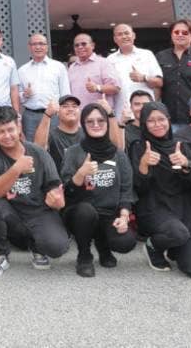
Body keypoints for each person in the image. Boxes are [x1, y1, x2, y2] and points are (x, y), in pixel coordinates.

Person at [0, 106, 69, 278]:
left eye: (10, 129)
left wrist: (57, 200)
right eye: (1, 131)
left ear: (18, 127)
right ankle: (0, 254)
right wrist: (16, 169)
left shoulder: (38, 153)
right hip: (10, 213)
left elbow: (54, 185)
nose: (7, 135)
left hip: (38, 211)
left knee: (57, 247)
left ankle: (37, 247)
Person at [129, 102, 191, 279]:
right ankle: (153, 246)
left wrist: (186, 165)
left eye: (161, 119)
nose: (157, 124)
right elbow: (138, 188)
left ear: (169, 120)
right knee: (177, 233)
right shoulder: (138, 147)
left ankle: (175, 247)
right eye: (151, 121)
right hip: (154, 207)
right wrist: (143, 165)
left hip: (182, 208)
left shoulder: (183, 147)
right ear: (144, 124)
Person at [61, 103, 137, 278]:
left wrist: (124, 217)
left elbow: (126, 190)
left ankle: (104, 246)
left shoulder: (118, 154)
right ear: (83, 124)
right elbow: (66, 192)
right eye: (90, 121)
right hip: (80, 212)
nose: (96, 125)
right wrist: (80, 174)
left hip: (108, 213)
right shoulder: (73, 152)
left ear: (107, 123)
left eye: (101, 120)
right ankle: (84, 254)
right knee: (86, 211)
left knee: (126, 243)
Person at [18, 33, 72, 141]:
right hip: (30, 116)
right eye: (34, 44)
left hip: (54, 116)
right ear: (29, 47)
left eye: (41, 44)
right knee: (32, 148)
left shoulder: (58, 67)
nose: (38, 47)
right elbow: (17, 95)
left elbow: (65, 94)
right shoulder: (22, 70)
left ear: (47, 47)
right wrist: (24, 94)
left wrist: (65, 114)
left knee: (55, 146)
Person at [107, 23, 163, 118]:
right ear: (115, 39)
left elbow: (159, 83)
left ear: (133, 35)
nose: (124, 36)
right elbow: (109, 87)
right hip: (122, 113)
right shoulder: (109, 60)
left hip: (146, 112)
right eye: (120, 34)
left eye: (127, 33)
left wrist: (144, 77)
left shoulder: (147, 55)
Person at [67, 32, 119, 111]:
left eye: (84, 44)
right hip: (78, 116)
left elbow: (115, 88)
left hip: (99, 115)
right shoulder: (72, 68)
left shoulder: (103, 63)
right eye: (76, 45)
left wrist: (97, 88)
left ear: (92, 45)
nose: (80, 47)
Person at [32, 95, 77, 170]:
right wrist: (47, 115)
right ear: (58, 112)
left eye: (74, 106)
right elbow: (38, 148)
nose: (70, 109)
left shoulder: (86, 134)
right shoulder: (52, 135)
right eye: (65, 106)